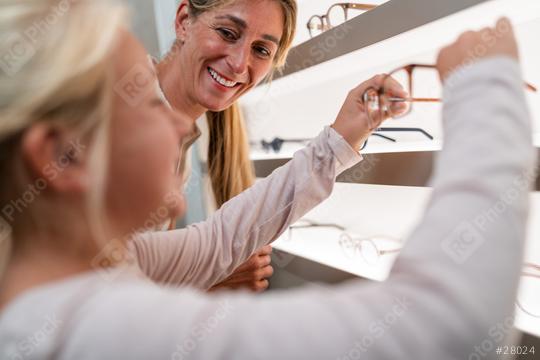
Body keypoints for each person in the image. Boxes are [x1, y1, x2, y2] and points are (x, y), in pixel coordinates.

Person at [0, 2, 535, 360]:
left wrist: (340, 138)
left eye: (259, 48)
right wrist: (485, 86)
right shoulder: (85, 332)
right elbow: (450, 328)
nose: (174, 121)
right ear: (61, 156)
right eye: (141, 100)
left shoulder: (102, 269)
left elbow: (219, 241)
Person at [147, 0, 299, 292]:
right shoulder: (118, 114)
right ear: (183, 22)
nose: (240, 63)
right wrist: (206, 280)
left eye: (261, 50)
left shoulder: (180, 143)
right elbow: (74, 290)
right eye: (228, 33)